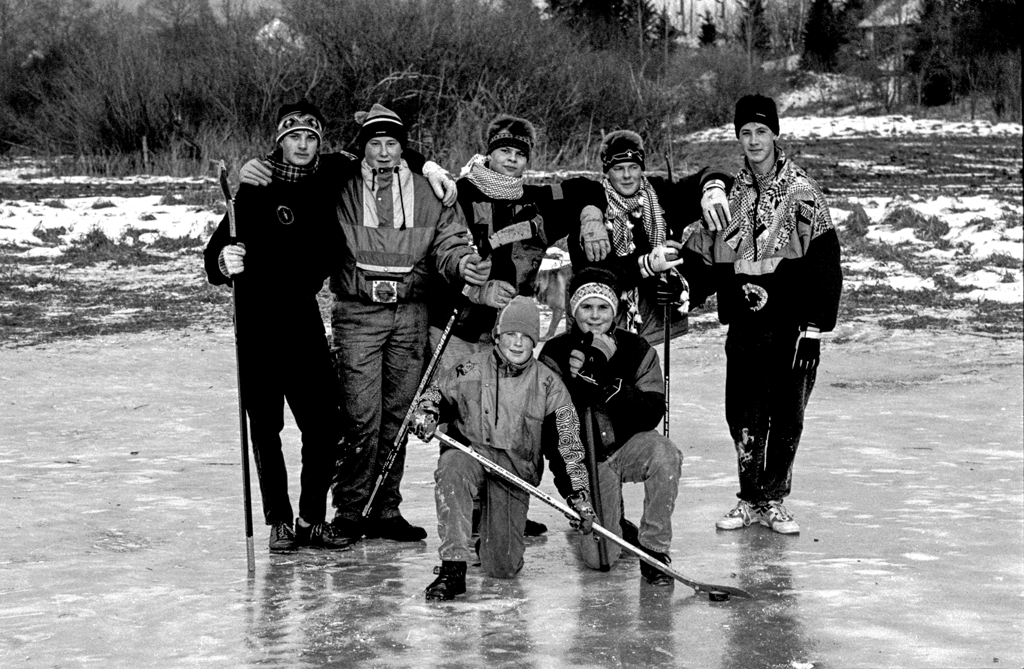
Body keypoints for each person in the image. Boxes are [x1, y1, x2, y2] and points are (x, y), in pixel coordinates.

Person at [427, 114, 610, 538]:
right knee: (462, 418)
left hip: (511, 337)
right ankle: (470, 512)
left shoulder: (537, 199)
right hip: (459, 328)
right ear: (488, 152)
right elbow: (436, 257)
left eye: (519, 154)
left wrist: (590, 219)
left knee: (507, 419)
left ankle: (503, 506)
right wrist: (478, 290)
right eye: (504, 151)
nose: (511, 160)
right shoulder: (458, 193)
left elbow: (589, 188)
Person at [328, 104, 490, 543]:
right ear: (363, 147)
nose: (383, 152)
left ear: (403, 148)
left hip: (410, 314)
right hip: (357, 314)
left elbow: (449, 240)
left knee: (398, 415)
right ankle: (350, 509)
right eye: (375, 143)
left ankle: (385, 509)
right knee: (361, 416)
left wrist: (462, 264)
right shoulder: (340, 184)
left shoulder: (428, 190)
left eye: (392, 143)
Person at [681, 94, 843, 535]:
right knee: (743, 415)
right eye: (745, 132)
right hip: (746, 325)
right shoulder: (728, 196)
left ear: (775, 134)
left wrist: (814, 328)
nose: (754, 140)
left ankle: (774, 499)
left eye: (761, 131)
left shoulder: (803, 192)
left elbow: (826, 266)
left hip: (793, 328)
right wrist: (685, 287)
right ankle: (749, 498)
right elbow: (707, 257)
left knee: (787, 417)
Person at [202, 99, 352, 553]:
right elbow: (214, 258)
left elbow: (380, 147)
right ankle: (279, 522)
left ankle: (311, 519)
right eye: (293, 137)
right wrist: (225, 262)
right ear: (280, 142)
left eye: (310, 137)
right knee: (265, 429)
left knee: (324, 425)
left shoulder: (330, 177)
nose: (302, 145)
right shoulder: (255, 188)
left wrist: (432, 169)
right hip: (256, 322)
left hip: (302, 320)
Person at [410, 297, 597, 600]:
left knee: (503, 567)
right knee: (451, 468)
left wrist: (579, 495)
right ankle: (452, 568)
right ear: (498, 336)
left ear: (535, 341)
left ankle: (490, 536)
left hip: (513, 473)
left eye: (526, 336)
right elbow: (436, 393)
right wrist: (427, 411)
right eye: (511, 334)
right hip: (471, 456)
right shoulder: (469, 367)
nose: (518, 343)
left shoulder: (550, 385)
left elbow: (568, 446)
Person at [539, 267, 682, 585]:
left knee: (665, 454)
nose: (594, 315)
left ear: (615, 310)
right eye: (586, 307)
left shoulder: (638, 349)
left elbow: (651, 413)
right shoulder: (554, 354)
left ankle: (653, 549)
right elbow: (552, 434)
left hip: (628, 447)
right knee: (600, 560)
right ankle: (612, 521)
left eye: (603, 307)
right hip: (589, 462)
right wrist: (574, 492)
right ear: (574, 311)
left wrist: (607, 380)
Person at [548, 131, 732, 345]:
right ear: (607, 172)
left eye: (633, 167)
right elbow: (591, 270)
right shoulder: (591, 205)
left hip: (654, 323)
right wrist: (646, 264)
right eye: (618, 168)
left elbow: (710, 175)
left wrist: (713, 188)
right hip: (600, 325)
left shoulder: (662, 196)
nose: (627, 175)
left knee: (718, 225)